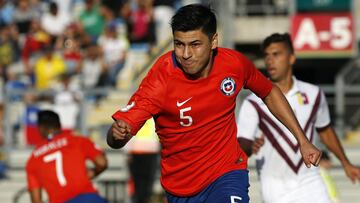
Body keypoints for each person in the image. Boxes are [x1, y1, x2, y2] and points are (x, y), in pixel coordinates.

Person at [107, 4, 321, 203]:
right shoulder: (160, 79)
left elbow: (270, 92)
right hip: (180, 187)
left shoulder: (234, 64)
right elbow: (116, 138)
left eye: (195, 44)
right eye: (179, 45)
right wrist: (117, 135)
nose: (186, 54)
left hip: (227, 173)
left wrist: (302, 139)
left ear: (214, 41)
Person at [236, 33, 360, 203]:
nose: (270, 60)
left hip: (310, 182)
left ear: (292, 58)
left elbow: (325, 131)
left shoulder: (313, 93)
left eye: (277, 54)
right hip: (275, 187)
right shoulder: (253, 101)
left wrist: (346, 163)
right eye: (267, 55)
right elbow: (243, 144)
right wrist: (250, 147)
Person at [25, 110, 108, 203]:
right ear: (59, 125)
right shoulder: (77, 140)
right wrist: (91, 173)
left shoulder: (32, 160)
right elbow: (102, 162)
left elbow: (36, 200)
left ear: (40, 128)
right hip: (89, 198)